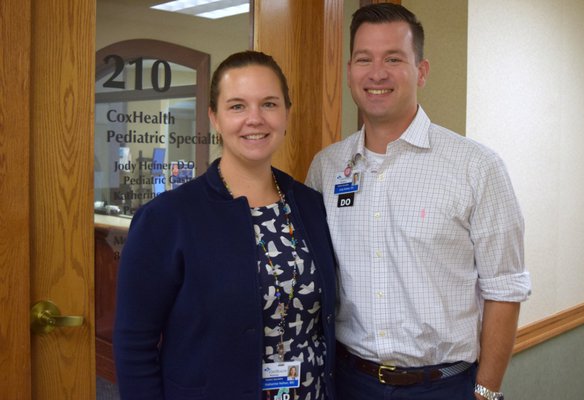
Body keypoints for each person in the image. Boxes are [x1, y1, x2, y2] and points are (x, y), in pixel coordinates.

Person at [306, 3, 531, 400]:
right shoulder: (327, 168)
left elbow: (505, 289)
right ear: (349, 71)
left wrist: (486, 393)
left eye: (394, 58)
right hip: (348, 381)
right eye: (364, 59)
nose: (377, 73)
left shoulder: (476, 167)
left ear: (421, 71)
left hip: (444, 386)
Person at [113, 50, 337, 400]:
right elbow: (134, 345)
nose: (254, 119)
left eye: (269, 104)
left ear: (287, 114)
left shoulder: (309, 205)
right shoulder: (167, 218)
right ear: (214, 118)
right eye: (237, 106)